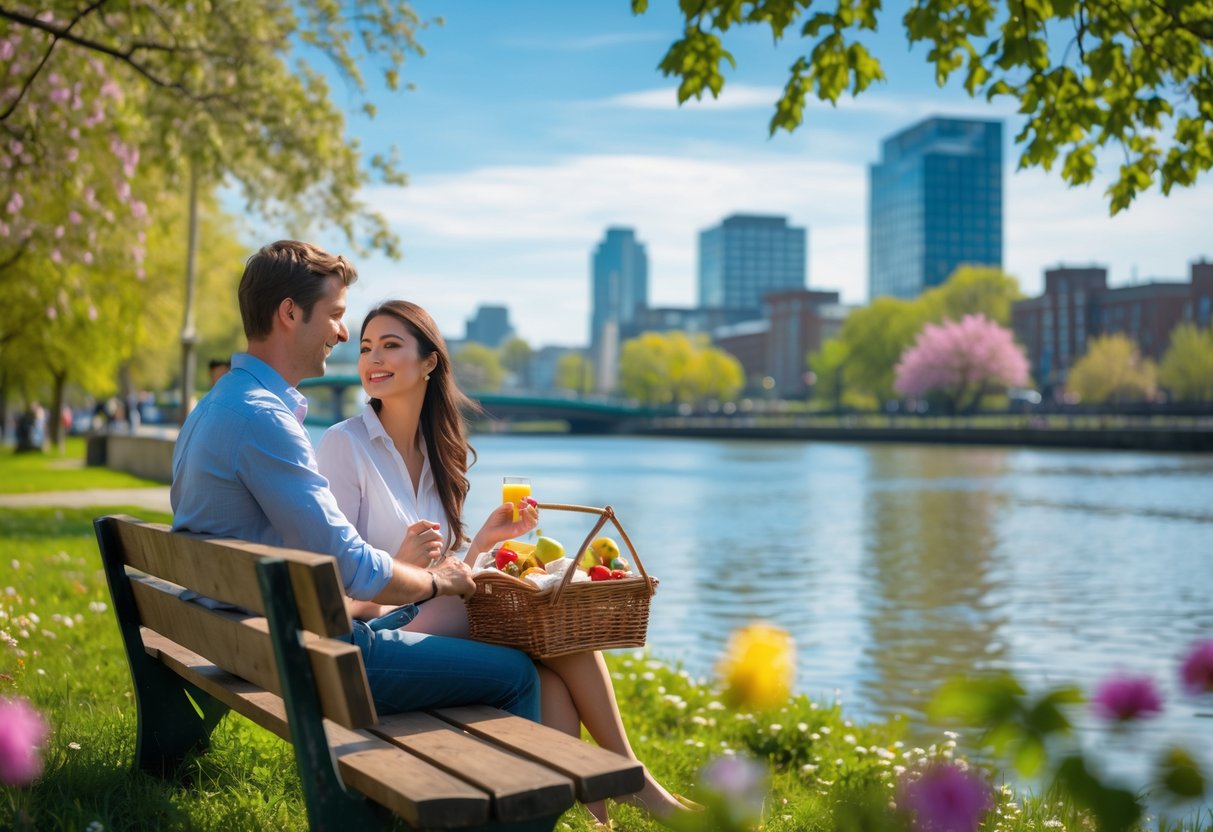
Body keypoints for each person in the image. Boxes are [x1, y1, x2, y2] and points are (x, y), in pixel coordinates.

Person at [316, 300, 694, 826]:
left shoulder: (438, 452)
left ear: (429, 362)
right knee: (551, 628)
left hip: (424, 613)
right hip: (375, 629)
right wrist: (398, 570)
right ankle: (629, 779)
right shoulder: (343, 445)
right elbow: (331, 592)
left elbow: (444, 575)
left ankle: (584, 802)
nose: (372, 359)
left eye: (390, 345)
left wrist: (484, 545)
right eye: (365, 348)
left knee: (552, 668)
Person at [170, 240, 541, 721]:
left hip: (237, 635)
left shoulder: (218, 404)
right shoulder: (263, 419)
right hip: (298, 652)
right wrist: (434, 579)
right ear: (289, 313)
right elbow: (349, 567)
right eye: (335, 314)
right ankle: (519, 796)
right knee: (517, 674)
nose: (343, 334)